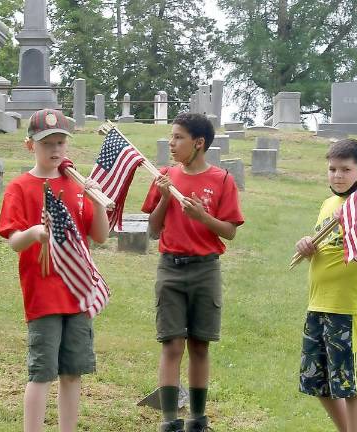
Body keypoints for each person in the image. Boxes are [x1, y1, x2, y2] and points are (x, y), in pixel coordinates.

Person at [0, 109, 109, 432]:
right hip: (42, 294)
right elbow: (14, 241)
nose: (55, 150)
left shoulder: (76, 185)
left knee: (72, 372)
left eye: (60, 142)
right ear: (30, 145)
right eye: (47, 143)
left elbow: (99, 236)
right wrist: (36, 233)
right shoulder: (20, 187)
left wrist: (98, 201)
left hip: (77, 292)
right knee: (42, 372)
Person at [141, 112, 245, 432]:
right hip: (170, 268)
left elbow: (229, 231)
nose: (171, 143)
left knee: (200, 344)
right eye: (172, 137)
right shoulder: (165, 176)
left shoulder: (222, 180)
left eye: (178, 137)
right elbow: (153, 231)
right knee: (172, 345)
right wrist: (163, 197)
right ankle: (169, 421)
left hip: (205, 270)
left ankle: (197, 419)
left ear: (198, 143)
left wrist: (203, 218)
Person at [295, 138, 357, 432]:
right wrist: (306, 245)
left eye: (345, 169)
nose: (337, 175)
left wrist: (352, 220)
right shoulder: (328, 204)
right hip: (318, 303)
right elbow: (324, 242)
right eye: (332, 169)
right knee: (317, 380)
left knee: (351, 383)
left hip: (349, 306)